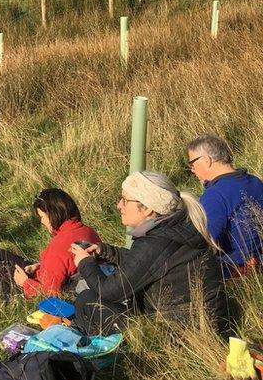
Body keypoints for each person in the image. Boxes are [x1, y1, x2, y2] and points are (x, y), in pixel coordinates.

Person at [70, 171, 226, 336]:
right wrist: (105, 251)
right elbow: (144, 263)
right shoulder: (176, 228)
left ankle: (98, 349)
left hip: (178, 334)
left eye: (125, 200)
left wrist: (85, 263)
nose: (119, 205)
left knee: (86, 300)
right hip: (203, 324)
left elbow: (110, 291)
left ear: (147, 208)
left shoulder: (156, 241)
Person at [0, 188, 101, 299]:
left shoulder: (58, 246)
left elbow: (50, 293)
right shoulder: (87, 231)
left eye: (42, 217)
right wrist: (40, 266)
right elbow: (68, 266)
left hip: (36, 288)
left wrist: (25, 283)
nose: (42, 222)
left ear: (53, 214)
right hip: (53, 276)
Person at [186, 134, 263, 276]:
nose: (192, 170)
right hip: (257, 265)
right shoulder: (255, 182)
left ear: (206, 160)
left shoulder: (215, 195)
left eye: (192, 164)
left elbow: (203, 242)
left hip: (232, 271)